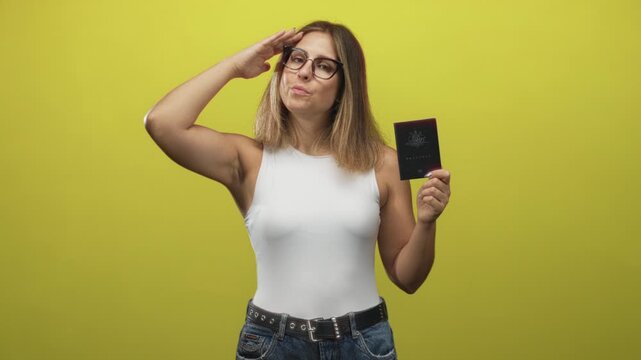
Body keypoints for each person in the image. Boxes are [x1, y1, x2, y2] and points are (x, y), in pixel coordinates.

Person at [144, 20, 451, 360]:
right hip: (272, 344)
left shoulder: (384, 164)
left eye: (323, 66)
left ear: (344, 86)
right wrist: (235, 66)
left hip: (362, 344)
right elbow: (162, 123)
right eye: (296, 58)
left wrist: (427, 222)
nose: (304, 73)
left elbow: (408, 277)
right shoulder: (248, 160)